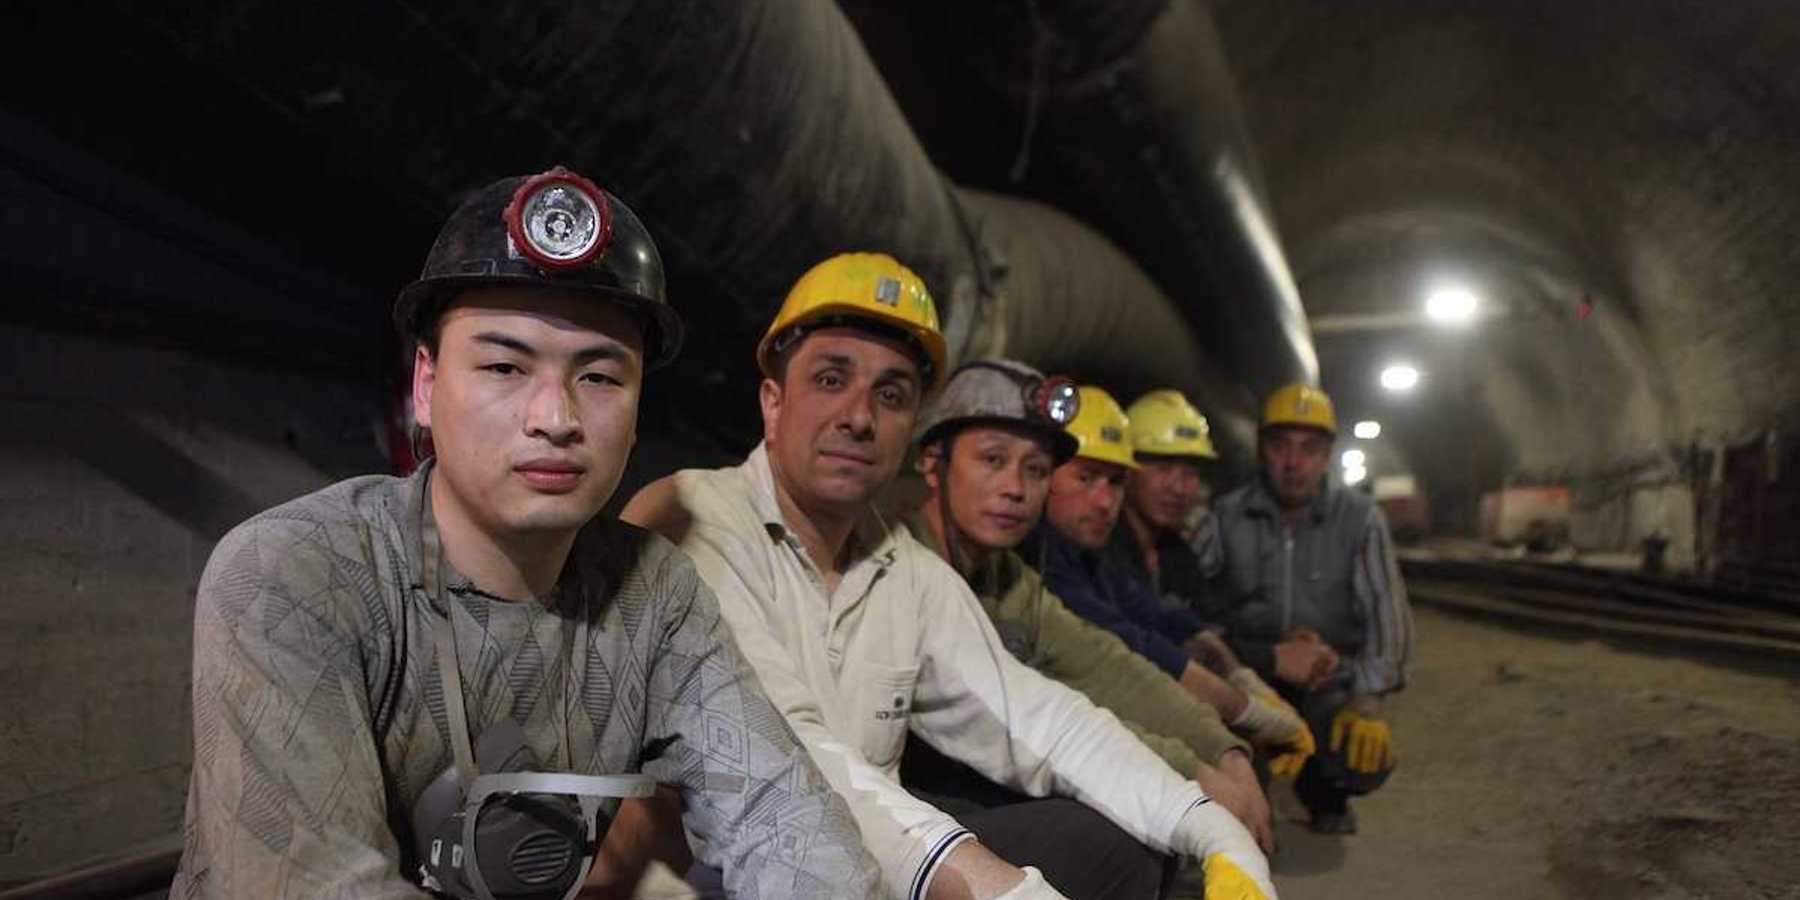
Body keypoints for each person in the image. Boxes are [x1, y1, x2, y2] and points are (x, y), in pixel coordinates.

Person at [171, 168, 879, 899]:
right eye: (504, 366)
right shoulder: (296, 574)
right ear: (425, 385)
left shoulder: (654, 597)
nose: (556, 418)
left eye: (600, 377)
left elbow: (784, 819)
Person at [623, 254, 1275, 900]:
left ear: (910, 429)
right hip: (730, 881)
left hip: (871, 869)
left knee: (1114, 844)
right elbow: (788, 758)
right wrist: (1004, 889)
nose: (859, 416)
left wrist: (1208, 825)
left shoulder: (904, 568)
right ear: (772, 401)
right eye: (830, 378)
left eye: (891, 394)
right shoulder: (697, 519)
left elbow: (1034, 715)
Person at [903, 360, 1273, 854]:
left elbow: (1108, 667)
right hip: (896, 812)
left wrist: (1222, 752)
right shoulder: (902, 564)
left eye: (1036, 469)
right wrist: (1193, 776)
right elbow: (1025, 719)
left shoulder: (1006, 577)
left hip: (963, 784)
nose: (1015, 488)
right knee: (1115, 832)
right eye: (992, 459)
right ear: (932, 462)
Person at [1022, 388, 1315, 779]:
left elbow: (1169, 618)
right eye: (1086, 477)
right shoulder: (1040, 557)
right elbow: (1126, 642)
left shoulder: (1139, 553)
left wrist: (1245, 679)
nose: (1104, 501)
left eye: (1114, 481)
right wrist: (1245, 709)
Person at [1210, 384, 1416, 834]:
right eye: (1281, 446)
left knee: (1359, 753)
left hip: (1328, 679)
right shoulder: (1226, 516)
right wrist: (1253, 656)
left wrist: (1368, 702)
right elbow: (1198, 608)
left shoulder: (1360, 518)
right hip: (1252, 674)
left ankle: (1326, 792)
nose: (1293, 461)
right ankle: (1251, 788)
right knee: (1224, 741)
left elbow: (1388, 616)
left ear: (1327, 456)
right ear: (1262, 450)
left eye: (1309, 449)